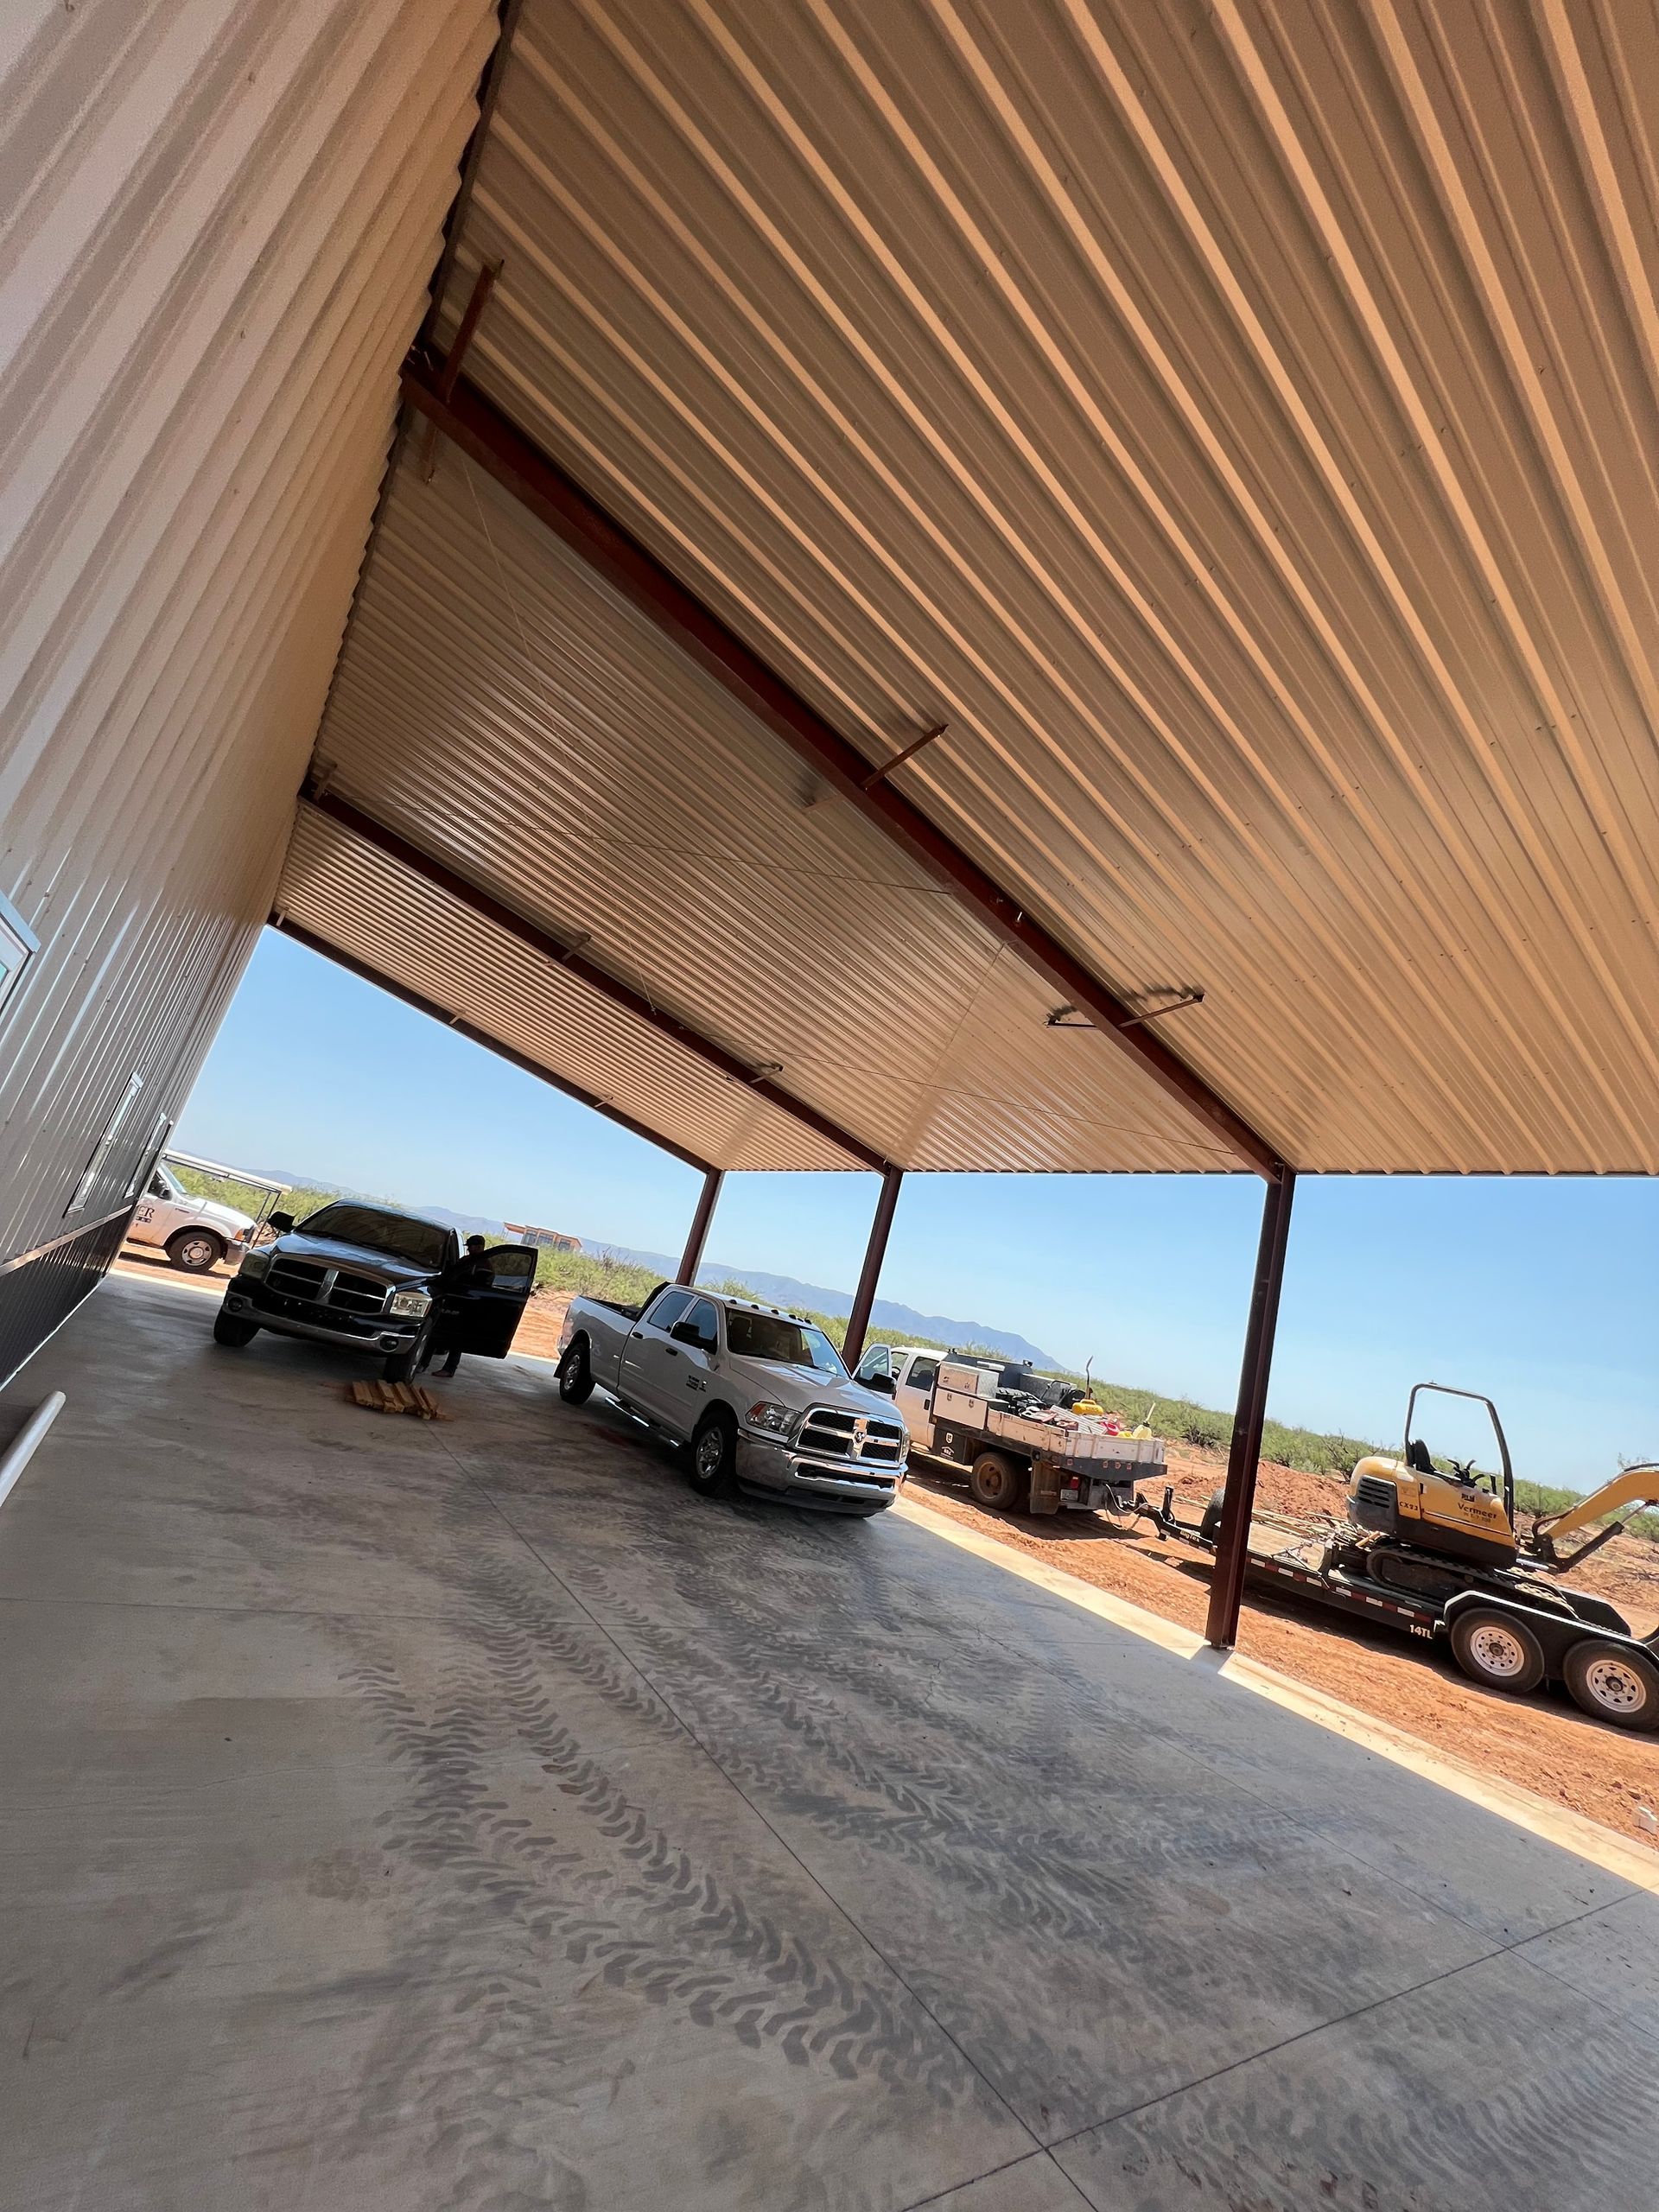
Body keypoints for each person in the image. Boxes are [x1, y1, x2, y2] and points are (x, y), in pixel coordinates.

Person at [423, 1236, 493, 1378]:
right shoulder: (465, 1261)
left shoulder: (485, 1265)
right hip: (453, 1301)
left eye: (472, 1246)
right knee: (436, 1333)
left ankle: (449, 1369)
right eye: (468, 1246)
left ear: (480, 1246)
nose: (469, 1249)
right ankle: (423, 1363)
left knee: (456, 1341)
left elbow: (482, 1285)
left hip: (469, 1307)